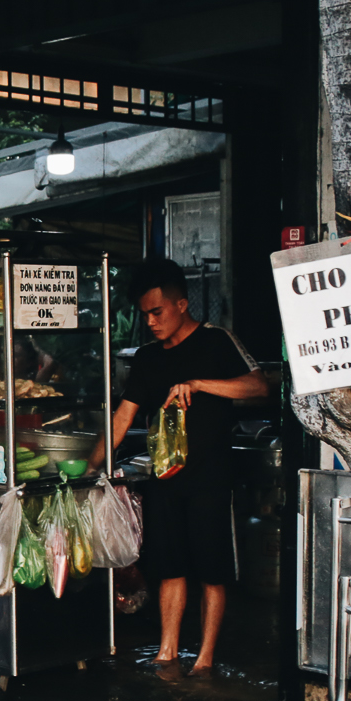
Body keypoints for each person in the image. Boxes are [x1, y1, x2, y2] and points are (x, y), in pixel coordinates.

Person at [89, 260, 267, 671]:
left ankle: (204, 659)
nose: (150, 322)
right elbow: (123, 417)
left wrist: (201, 384)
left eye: (157, 313)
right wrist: (89, 466)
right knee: (169, 567)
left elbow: (259, 386)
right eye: (145, 314)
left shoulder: (217, 342)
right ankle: (167, 650)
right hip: (165, 479)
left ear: (182, 305)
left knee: (211, 571)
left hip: (210, 479)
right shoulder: (148, 359)